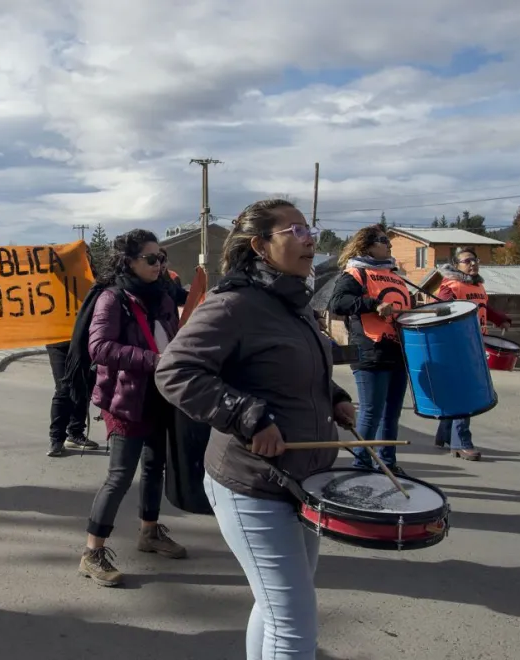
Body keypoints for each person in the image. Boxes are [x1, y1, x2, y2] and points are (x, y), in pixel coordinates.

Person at [155, 199, 356, 659]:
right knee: (295, 621)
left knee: (277, 607)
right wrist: (249, 416)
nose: (310, 238)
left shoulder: (292, 302)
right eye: (295, 230)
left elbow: (298, 369)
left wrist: (336, 399)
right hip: (252, 485)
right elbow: (174, 372)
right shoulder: (234, 304)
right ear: (260, 246)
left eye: (309, 228)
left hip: (303, 481)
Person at [78, 229, 186, 587]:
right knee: (120, 475)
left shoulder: (165, 294)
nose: (160, 265)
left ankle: (149, 532)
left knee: (156, 466)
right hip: (126, 398)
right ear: (129, 261)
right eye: (151, 259)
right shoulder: (112, 299)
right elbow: (101, 349)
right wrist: (154, 360)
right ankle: (92, 552)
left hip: (161, 394)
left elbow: (175, 334)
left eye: (162, 258)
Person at [328, 224, 411, 475]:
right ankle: (361, 465)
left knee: (392, 414)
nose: (389, 244)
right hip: (370, 351)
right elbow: (338, 303)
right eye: (383, 240)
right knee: (372, 411)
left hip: (398, 352)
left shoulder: (395, 275)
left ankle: (387, 463)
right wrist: (374, 304)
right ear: (367, 246)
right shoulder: (355, 274)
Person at [433, 247, 510, 460]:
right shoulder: (450, 286)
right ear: (456, 266)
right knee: (464, 394)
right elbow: (439, 310)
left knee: (457, 392)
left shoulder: (478, 286)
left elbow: (483, 307)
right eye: (467, 261)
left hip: (475, 341)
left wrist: (500, 318)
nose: (473, 263)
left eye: (474, 260)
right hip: (457, 343)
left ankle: (445, 435)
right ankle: (461, 442)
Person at [46, 246, 99, 457]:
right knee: (64, 388)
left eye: (86, 255)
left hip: (85, 340)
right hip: (58, 340)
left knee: (84, 386)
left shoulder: (93, 280)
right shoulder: (51, 278)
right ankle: (56, 438)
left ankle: (75, 433)